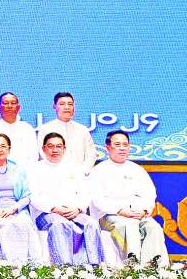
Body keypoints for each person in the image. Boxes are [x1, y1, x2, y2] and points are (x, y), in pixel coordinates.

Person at [91, 131, 168, 264]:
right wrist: (120, 210)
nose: (122, 148)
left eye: (125, 145)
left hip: (137, 214)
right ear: (108, 147)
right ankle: (131, 265)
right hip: (110, 216)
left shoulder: (137, 169)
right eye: (117, 144)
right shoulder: (99, 170)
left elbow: (150, 193)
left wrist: (144, 210)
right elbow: (97, 199)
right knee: (129, 225)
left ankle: (150, 266)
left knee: (153, 227)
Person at [29, 132, 104, 265]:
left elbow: (86, 193)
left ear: (64, 149)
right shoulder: (34, 169)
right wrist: (54, 208)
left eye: (59, 146)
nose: (55, 150)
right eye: (51, 146)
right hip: (46, 214)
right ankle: (64, 267)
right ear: (44, 148)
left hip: (74, 212)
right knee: (60, 224)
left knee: (91, 224)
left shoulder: (74, 168)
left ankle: (95, 266)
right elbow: (33, 196)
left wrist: (78, 208)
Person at [0, 133, 43, 264]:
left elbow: (27, 196)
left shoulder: (19, 170)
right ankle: (10, 264)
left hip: (16, 211)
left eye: (3, 146)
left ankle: (24, 263)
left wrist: (13, 209)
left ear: (9, 149)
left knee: (23, 223)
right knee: (6, 224)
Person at [35, 92, 98, 172]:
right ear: (54, 106)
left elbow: (91, 154)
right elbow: (42, 153)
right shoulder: (45, 129)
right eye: (62, 104)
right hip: (53, 174)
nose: (67, 107)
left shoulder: (82, 129)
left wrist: (84, 172)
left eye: (70, 104)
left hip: (80, 175)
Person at [0, 92, 38, 167]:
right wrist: (0, 169)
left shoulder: (27, 128)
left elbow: (34, 154)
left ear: (18, 108)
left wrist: (24, 171)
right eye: (5, 103)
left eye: (13, 103)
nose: (9, 106)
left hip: (24, 171)